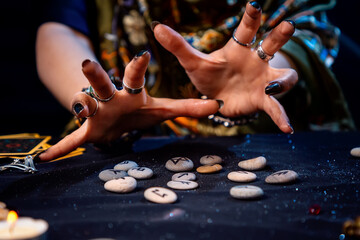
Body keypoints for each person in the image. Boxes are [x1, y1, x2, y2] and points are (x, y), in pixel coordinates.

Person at [35, 0, 354, 161]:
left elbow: (306, 24)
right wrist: (96, 101)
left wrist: (264, 70)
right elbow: (59, 29)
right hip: (128, 131)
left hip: (271, 138)